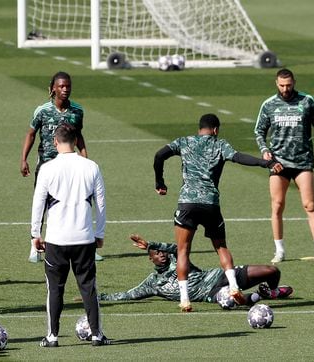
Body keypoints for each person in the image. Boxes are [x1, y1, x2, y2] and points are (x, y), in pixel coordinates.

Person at [154, 113, 282, 312]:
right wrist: (266, 163)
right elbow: (240, 158)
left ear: (200, 128)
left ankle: (185, 300)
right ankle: (233, 286)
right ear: (215, 130)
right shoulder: (220, 144)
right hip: (211, 204)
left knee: (182, 251)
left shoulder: (184, 142)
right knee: (221, 247)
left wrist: (160, 182)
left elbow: (159, 155)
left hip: (187, 203)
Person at [31, 123, 108, 347]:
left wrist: (35, 233)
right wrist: (99, 232)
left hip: (56, 240)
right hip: (84, 238)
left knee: (55, 289)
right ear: (75, 141)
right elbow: (101, 204)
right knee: (89, 287)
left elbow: (38, 204)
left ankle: (52, 336)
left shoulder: (47, 168)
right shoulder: (91, 166)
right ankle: (96, 335)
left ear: (55, 142)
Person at [20, 71, 102, 262]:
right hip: (47, 166)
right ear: (53, 88)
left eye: (68, 86)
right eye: (61, 86)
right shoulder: (42, 111)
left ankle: (88, 244)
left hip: (72, 165)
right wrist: (24, 159)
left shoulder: (77, 111)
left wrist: (85, 158)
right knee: (42, 204)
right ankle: (35, 244)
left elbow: (79, 136)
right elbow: (31, 134)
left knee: (80, 201)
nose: (65, 89)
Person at [254, 68, 314, 263]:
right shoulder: (269, 105)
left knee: (310, 205)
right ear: (276, 83)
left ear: (294, 82)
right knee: (277, 205)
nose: (285, 89)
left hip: (302, 160)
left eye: (288, 85)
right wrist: (264, 150)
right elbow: (259, 131)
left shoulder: (307, 101)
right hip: (278, 162)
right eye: (282, 85)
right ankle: (279, 250)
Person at [98, 234, 293, 306]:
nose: (162, 255)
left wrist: (151, 243)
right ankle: (252, 297)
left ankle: (271, 292)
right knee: (228, 300)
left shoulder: (177, 258)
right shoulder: (152, 283)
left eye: (162, 252)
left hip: (219, 276)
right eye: (157, 253)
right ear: (151, 259)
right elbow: (128, 294)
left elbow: (176, 248)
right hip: (212, 293)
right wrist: (97, 297)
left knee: (271, 271)